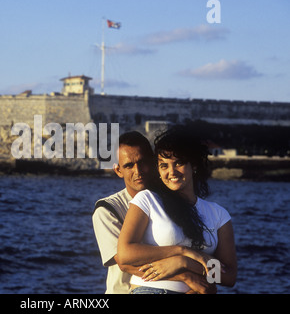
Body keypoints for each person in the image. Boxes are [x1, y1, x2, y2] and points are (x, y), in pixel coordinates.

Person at [117, 126, 237, 294]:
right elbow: (125, 254)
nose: (171, 172)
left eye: (179, 163)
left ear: (193, 165)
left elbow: (229, 276)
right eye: (164, 166)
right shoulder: (147, 200)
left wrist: (184, 263)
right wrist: (182, 252)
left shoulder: (218, 214)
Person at [93, 131, 214, 294]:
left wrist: (202, 276)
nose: (138, 171)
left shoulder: (178, 200)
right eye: (129, 165)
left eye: (143, 162)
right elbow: (125, 264)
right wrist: (184, 272)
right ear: (118, 170)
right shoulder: (107, 210)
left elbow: (219, 271)